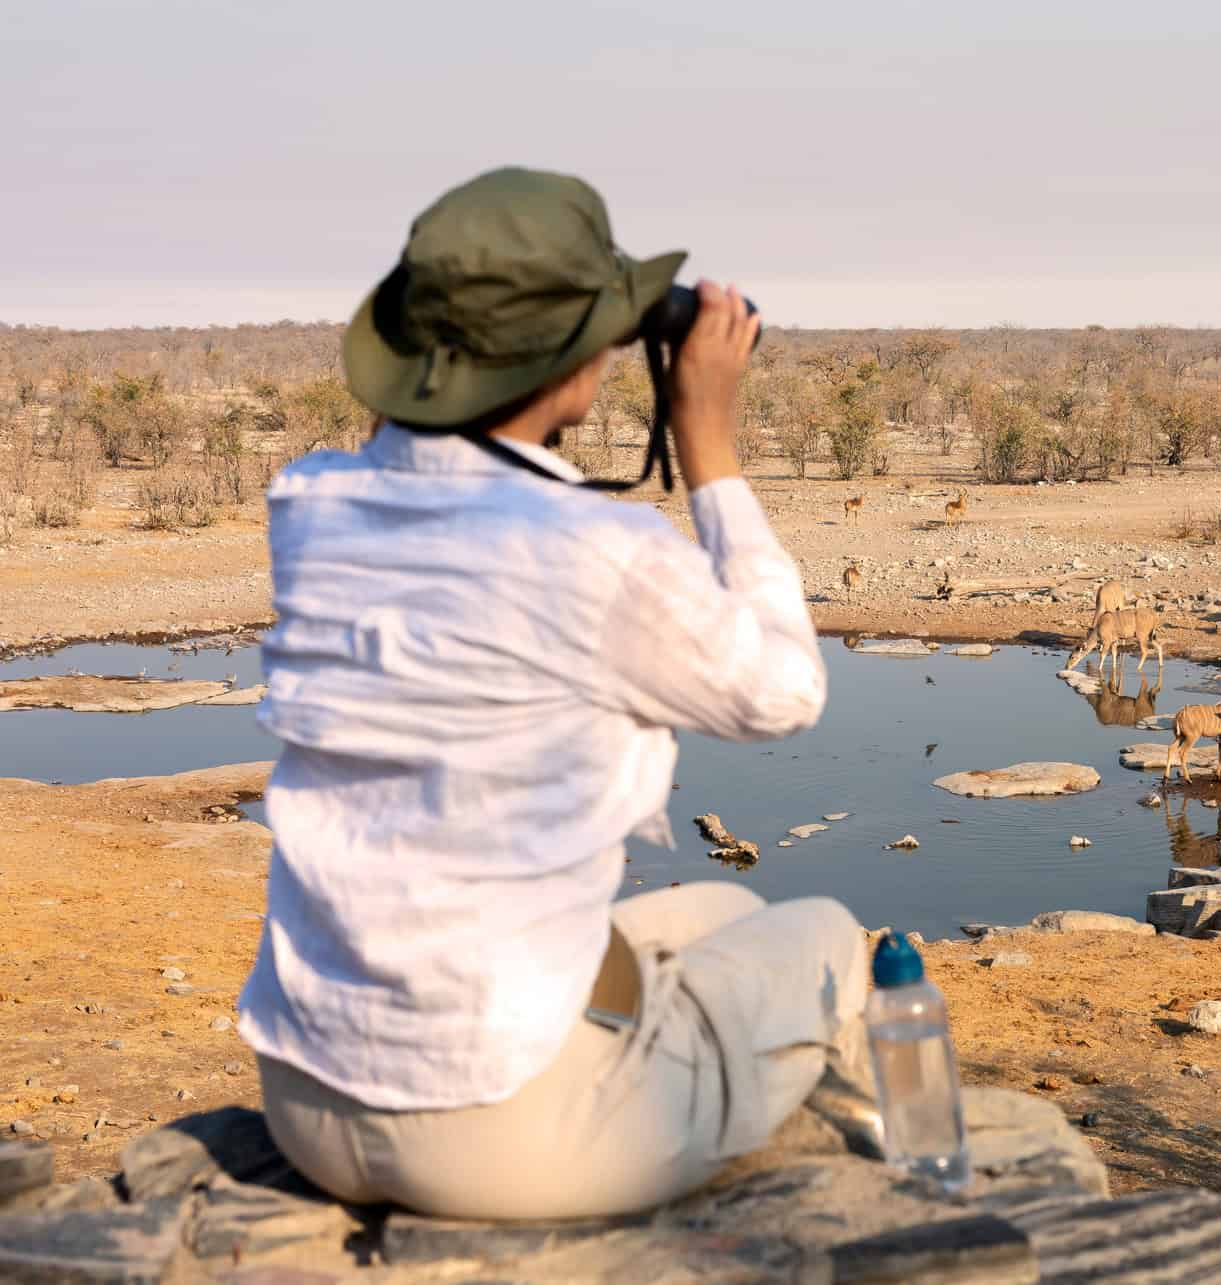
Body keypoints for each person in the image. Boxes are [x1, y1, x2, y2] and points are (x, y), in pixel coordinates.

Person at [235, 167, 870, 1220]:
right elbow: (784, 691)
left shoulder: (310, 500)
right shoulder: (592, 551)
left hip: (306, 1095)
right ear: (579, 361)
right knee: (832, 938)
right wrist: (707, 442)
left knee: (729, 909)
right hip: (508, 1136)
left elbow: (444, 490)